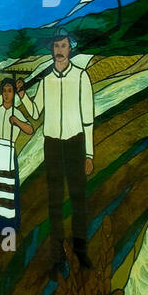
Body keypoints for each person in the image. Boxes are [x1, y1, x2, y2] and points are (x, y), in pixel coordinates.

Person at [22, 28, 95, 270]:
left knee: (78, 200)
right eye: (56, 47)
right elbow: (34, 113)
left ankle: (81, 253)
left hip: (75, 144)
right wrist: (22, 96)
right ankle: (57, 257)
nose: (59, 51)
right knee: (54, 203)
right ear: (51, 50)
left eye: (63, 46)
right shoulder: (45, 80)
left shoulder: (82, 77)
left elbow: (88, 119)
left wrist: (89, 153)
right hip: (52, 145)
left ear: (70, 48)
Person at [0, 77, 37, 229]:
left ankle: (8, 224)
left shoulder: (16, 113)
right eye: (4, 91)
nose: (6, 94)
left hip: (9, 152)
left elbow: (30, 129)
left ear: (13, 93)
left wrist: (16, 121)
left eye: (10, 91)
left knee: (8, 190)